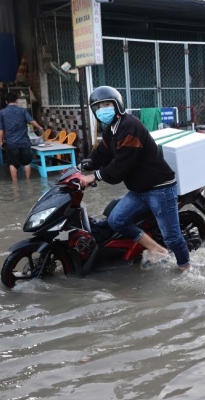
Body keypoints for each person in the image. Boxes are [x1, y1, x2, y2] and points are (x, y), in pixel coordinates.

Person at [78, 86, 190, 270]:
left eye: (107, 104)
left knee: (172, 236)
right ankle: (157, 249)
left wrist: (95, 176)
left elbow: (121, 165)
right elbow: (101, 154)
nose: (103, 109)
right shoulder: (111, 129)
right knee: (116, 220)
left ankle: (186, 268)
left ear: (117, 105)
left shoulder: (129, 126)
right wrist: (82, 166)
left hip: (160, 188)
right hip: (139, 190)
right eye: (98, 107)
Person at [0, 93, 44, 182]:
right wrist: (39, 127)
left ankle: (15, 184)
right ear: (16, 101)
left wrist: (1, 140)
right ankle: (28, 182)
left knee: (12, 163)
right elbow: (31, 121)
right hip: (24, 142)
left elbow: (0, 129)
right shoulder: (23, 111)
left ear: (6, 102)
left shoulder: (2, 112)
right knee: (26, 163)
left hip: (11, 143)